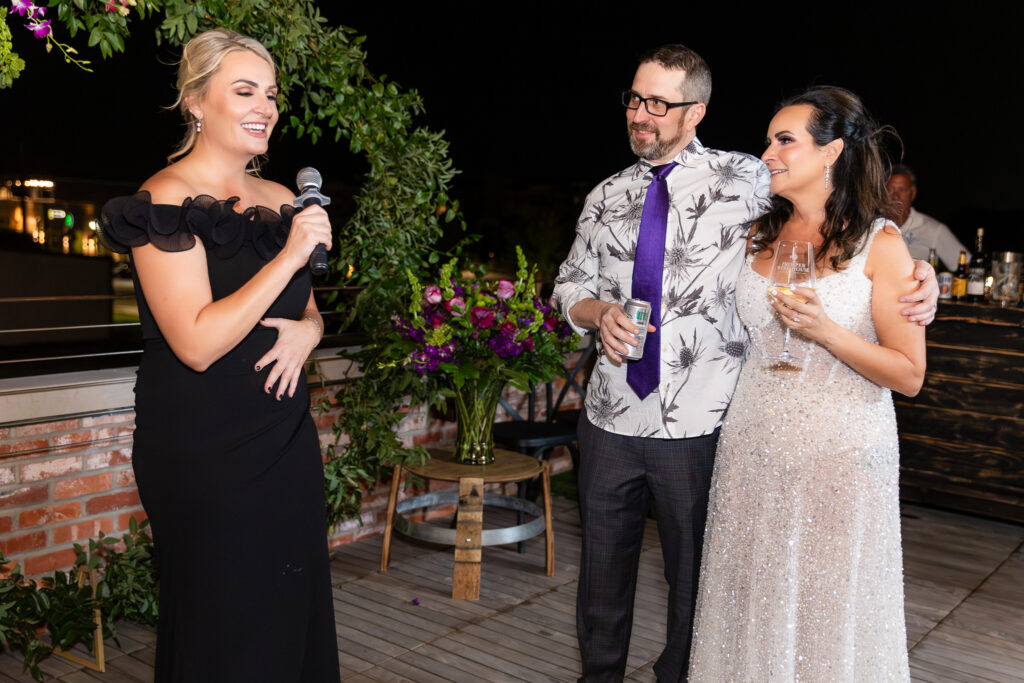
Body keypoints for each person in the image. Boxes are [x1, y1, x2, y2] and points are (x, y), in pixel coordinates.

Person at [552, 45, 937, 683]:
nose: (640, 114)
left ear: (695, 111)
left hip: (703, 423)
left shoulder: (752, 182)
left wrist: (922, 277)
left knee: (702, 588)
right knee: (601, 579)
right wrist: (596, 314)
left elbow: (848, 224)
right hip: (611, 415)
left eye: (658, 103)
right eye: (633, 99)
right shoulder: (603, 196)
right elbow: (568, 285)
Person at [99, 29, 339, 682]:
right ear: (196, 101)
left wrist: (310, 332)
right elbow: (197, 342)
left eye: (271, 93)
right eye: (244, 91)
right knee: (225, 625)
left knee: (288, 613)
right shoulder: (162, 203)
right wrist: (289, 252)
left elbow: (305, 305)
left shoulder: (283, 197)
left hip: (283, 439)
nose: (265, 105)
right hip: (203, 451)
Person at [688, 86, 926, 681]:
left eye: (784, 140)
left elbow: (910, 374)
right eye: (769, 139)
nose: (767, 151)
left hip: (841, 458)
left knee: (825, 609)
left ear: (831, 153)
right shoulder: (755, 235)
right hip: (750, 448)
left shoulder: (882, 243)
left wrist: (828, 332)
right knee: (748, 600)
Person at [888, 163, 967, 270]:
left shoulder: (933, 230)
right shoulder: (873, 226)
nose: (895, 196)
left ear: (913, 193)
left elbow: (967, 266)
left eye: (902, 189)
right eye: (890, 189)